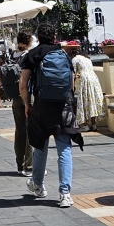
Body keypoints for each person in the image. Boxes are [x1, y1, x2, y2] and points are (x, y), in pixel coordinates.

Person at [21, 23, 80, 207]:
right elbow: (71, 83)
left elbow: (23, 85)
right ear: (54, 36)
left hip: (41, 106)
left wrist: (27, 105)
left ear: (38, 37)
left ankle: (38, 185)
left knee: (40, 145)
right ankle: (65, 194)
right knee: (64, 148)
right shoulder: (64, 54)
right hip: (63, 107)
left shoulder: (33, 55)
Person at [0, 32, 34, 175]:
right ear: (29, 41)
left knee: (19, 130)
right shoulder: (29, 56)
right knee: (30, 130)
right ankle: (29, 166)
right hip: (27, 95)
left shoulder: (11, 56)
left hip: (15, 96)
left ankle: (19, 164)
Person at [65, 41, 105, 131]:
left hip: (84, 80)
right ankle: (93, 124)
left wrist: (72, 84)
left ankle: (85, 125)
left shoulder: (74, 60)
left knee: (84, 101)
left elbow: (72, 73)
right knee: (92, 101)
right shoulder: (87, 59)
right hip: (94, 79)